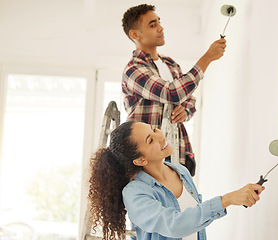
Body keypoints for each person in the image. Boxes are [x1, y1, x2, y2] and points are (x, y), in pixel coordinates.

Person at [88, 121, 265, 240]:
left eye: (154, 130)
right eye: (151, 141)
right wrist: (227, 200)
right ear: (140, 160)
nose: (161, 137)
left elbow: (195, 222)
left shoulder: (181, 171)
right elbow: (174, 224)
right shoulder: (135, 193)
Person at [121, 4, 227, 175]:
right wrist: (207, 58)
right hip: (146, 159)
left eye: (159, 22)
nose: (160, 28)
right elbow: (172, 93)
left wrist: (185, 110)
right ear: (135, 34)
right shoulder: (134, 69)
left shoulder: (170, 64)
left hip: (175, 151)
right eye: (152, 25)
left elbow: (188, 98)